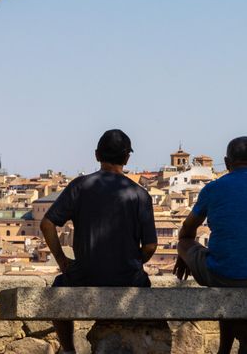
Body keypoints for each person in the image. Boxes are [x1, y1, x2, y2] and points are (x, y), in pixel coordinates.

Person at [40, 129, 158, 354]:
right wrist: (133, 261)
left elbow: (47, 224)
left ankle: (68, 350)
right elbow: (151, 246)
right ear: (127, 158)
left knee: (58, 290)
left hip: (85, 275)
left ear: (96, 155)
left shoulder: (80, 186)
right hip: (128, 278)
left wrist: (63, 261)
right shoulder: (140, 195)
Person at [174, 136, 247, 354]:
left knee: (199, 252)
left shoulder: (214, 188)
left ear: (226, 163)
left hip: (223, 274)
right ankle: (234, 346)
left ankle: (225, 348)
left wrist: (183, 254)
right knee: (230, 268)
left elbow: (187, 229)